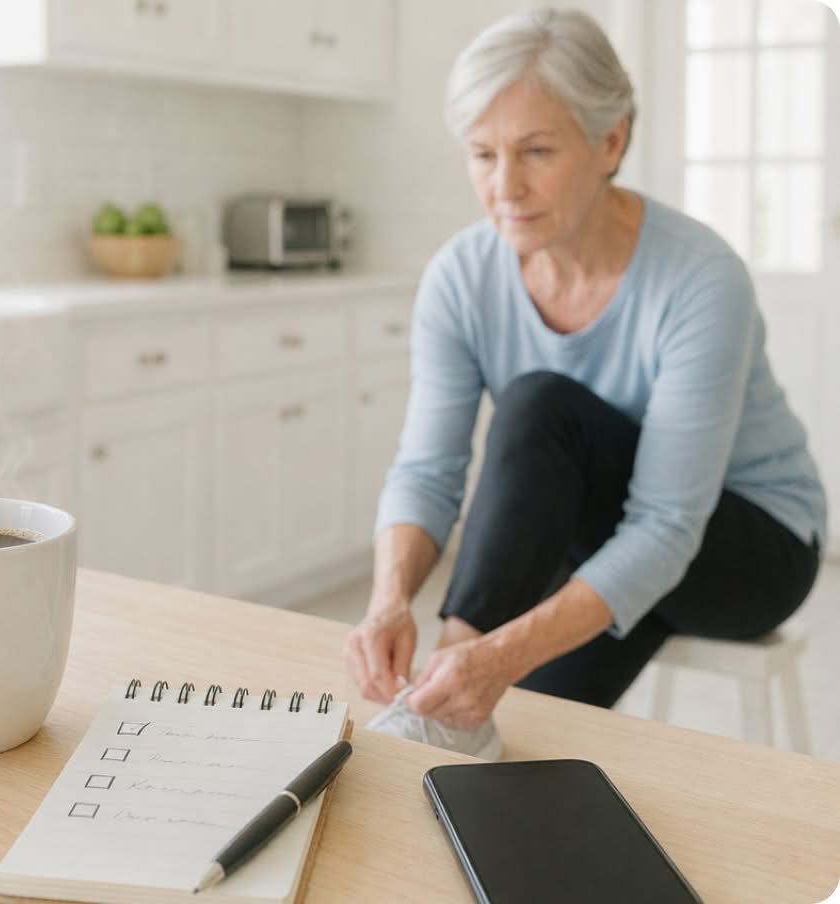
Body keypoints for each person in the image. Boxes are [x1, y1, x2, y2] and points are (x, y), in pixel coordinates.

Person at [344, 7, 826, 760]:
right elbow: (428, 472)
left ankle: (450, 676)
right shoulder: (460, 278)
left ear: (611, 140)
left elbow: (668, 524)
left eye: (536, 150)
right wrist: (386, 602)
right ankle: (449, 685)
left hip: (750, 543)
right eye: (481, 154)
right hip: (610, 529)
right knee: (510, 734)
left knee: (542, 405)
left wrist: (499, 654)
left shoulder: (702, 279)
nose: (505, 186)